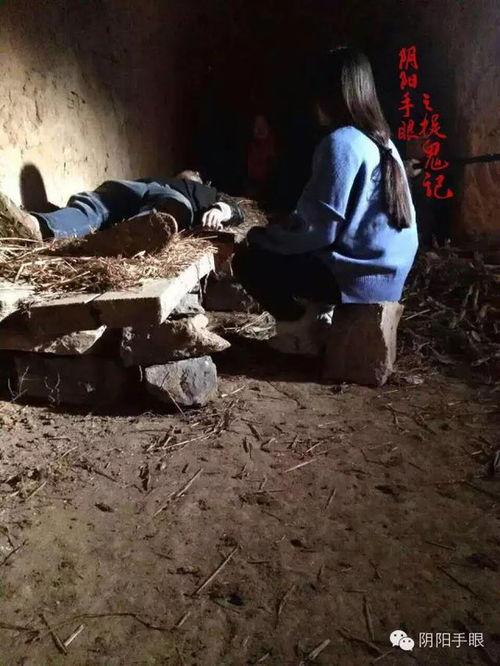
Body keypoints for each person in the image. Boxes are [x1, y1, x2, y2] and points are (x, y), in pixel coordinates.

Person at [233, 47, 419, 355]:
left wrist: (264, 235)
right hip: (390, 274)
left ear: (329, 94)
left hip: (357, 278)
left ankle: (299, 332)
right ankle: (319, 316)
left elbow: (318, 230)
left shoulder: (341, 142)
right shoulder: (383, 141)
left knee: (249, 260)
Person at [0, 170, 243, 242]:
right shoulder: (162, 177)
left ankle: (125, 238)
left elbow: (238, 211)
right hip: (135, 188)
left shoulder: (207, 193)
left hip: (174, 201)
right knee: (93, 205)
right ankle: (37, 225)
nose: (193, 172)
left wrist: (220, 210)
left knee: (170, 210)